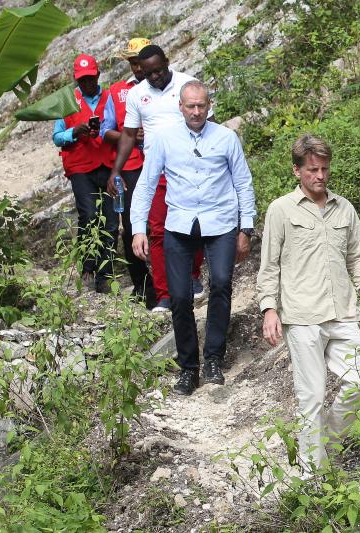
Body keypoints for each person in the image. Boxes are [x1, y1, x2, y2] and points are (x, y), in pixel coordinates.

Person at [256, 134, 360, 471]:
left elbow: (358, 256)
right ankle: (314, 478)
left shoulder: (345, 208)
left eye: (325, 169)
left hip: (343, 311)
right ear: (297, 170)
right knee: (310, 397)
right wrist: (269, 308)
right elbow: (269, 265)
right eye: (313, 169)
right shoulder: (281, 210)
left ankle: (325, 444)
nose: (320, 176)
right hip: (301, 315)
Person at [131, 81, 255, 394]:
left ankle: (213, 359)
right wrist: (137, 228)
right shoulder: (164, 139)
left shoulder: (226, 138)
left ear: (209, 105)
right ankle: (189, 367)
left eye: (202, 105)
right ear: (181, 107)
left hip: (221, 221)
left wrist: (246, 228)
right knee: (180, 297)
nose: (197, 112)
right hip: (179, 224)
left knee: (222, 284)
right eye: (191, 106)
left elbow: (243, 183)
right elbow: (146, 185)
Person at [108, 44, 207, 312]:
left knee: (194, 224)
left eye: (158, 71)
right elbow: (128, 135)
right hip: (156, 170)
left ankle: (193, 276)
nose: (154, 78)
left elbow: (208, 122)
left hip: (189, 166)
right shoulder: (137, 94)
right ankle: (164, 294)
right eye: (148, 73)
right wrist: (116, 170)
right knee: (159, 231)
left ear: (167, 62)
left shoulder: (188, 84)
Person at [52, 53, 117, 294]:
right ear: (76, 80)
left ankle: (106, 274)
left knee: (110, 221)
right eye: (82, 80)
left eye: (90, 78)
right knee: (88, 215)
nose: (87, 83)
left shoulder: (109, 97)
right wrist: (74, 132)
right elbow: (57, 137)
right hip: (80, 166)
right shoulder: (67, 101)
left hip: (108, 165)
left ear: (98, 75)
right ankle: (88, 268)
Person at [99, 37, 154, 306]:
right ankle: (143, 286)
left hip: (162, 164)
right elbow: (104, 130)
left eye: (139, 61)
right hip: (132, 165)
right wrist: (128, 135)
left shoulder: (168, 85)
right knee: (132, 226)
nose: (137, 68)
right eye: (132, 63)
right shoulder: (117, 92)